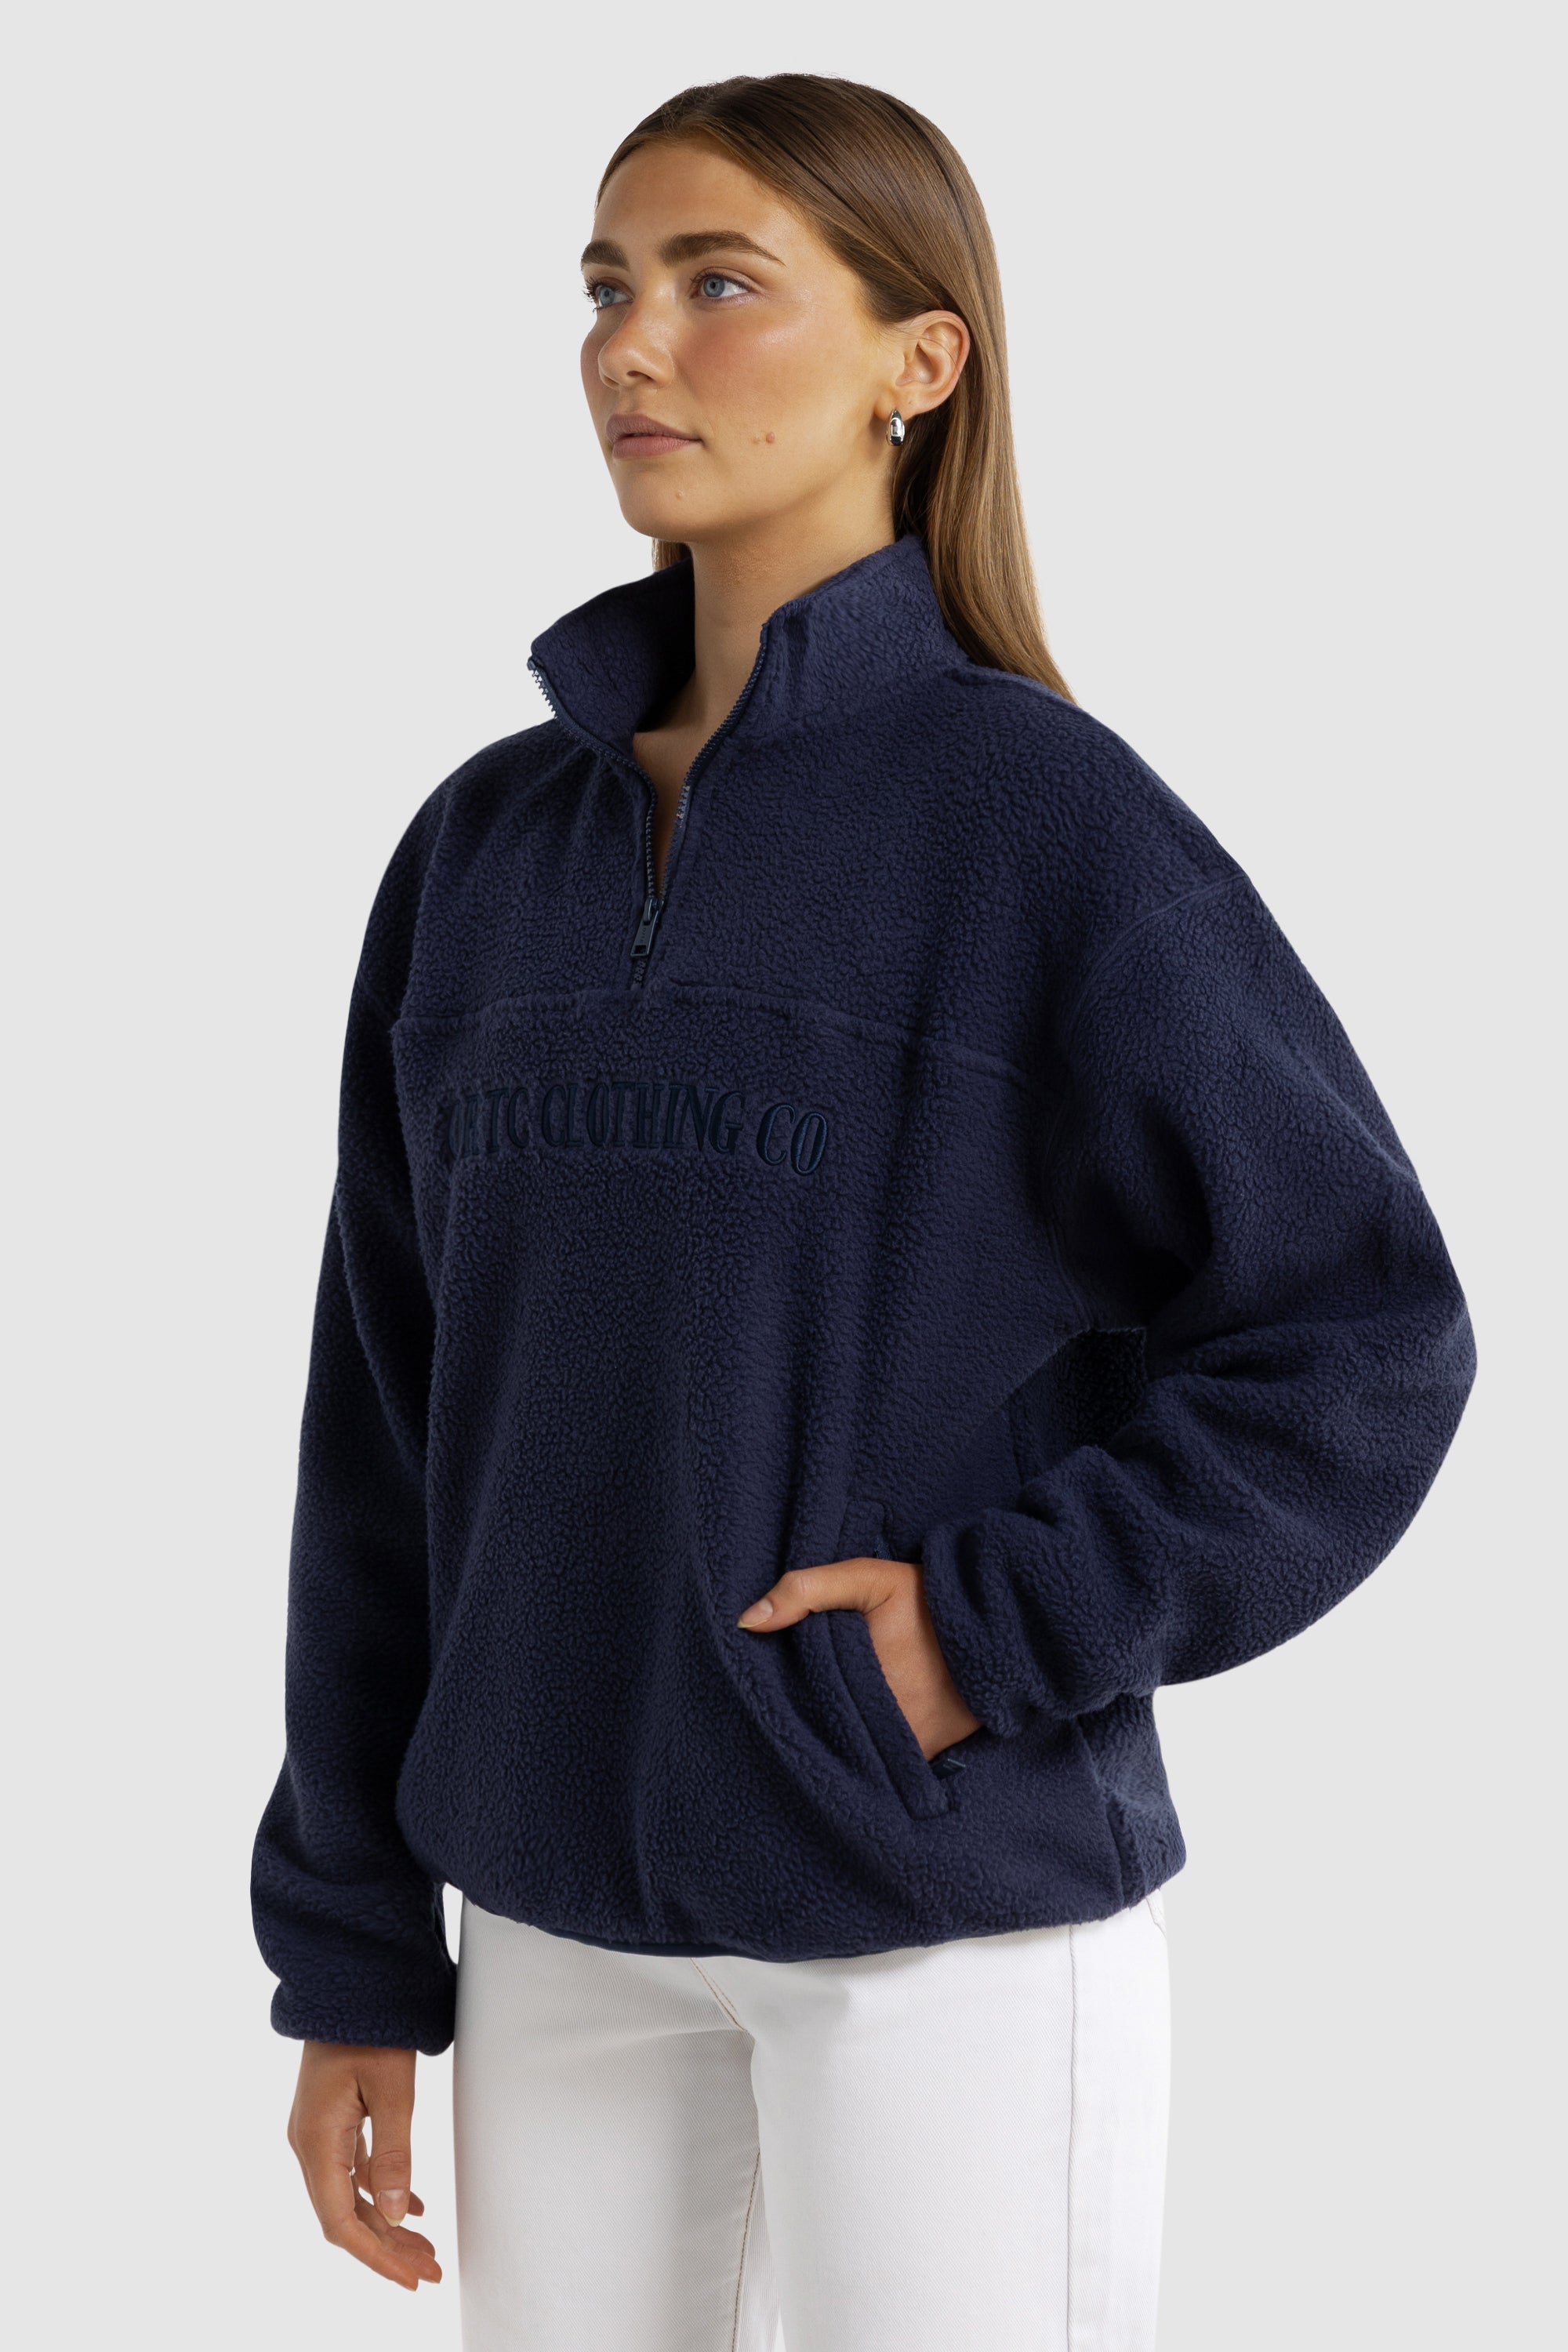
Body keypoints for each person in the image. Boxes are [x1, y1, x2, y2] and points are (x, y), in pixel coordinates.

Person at [251, 73, 1475, 2352]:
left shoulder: (1046, 826)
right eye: (607, 286)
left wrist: (983, 1634)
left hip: (940, 1913)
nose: (634, 346)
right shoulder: (483, 853)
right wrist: (351, 1951)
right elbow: (384, 1428)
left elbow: (1363, 1334)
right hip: (550, 1923)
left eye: (721, 284)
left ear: (922, 360)